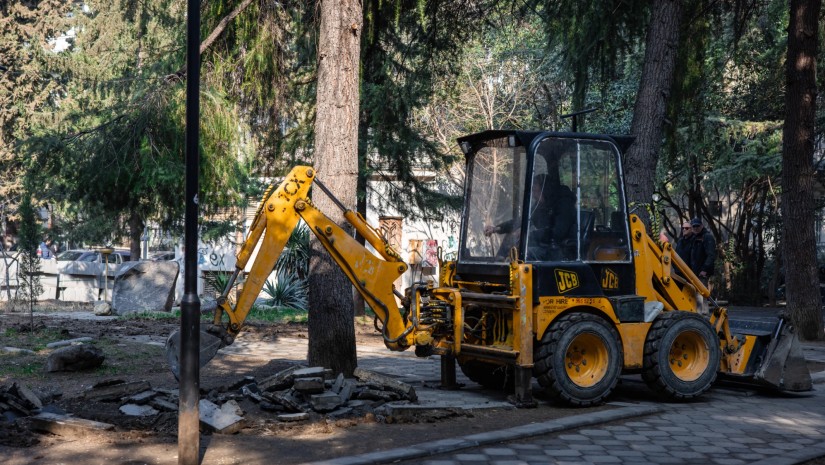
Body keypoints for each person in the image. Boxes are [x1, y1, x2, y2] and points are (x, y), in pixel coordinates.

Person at [686, 217, 716, 286]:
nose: (696, 228)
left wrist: (704, 270)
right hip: (695, 274)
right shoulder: (694, 238)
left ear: (702, 226)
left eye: (697, 226)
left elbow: (711, 255)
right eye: (694, 226)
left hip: (702, 274)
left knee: (701, 295)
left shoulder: (707, 237)